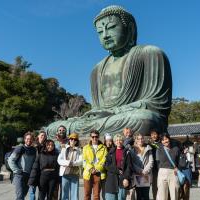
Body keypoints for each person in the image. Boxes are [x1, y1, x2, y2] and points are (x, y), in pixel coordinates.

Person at [46, 5, 172, 137]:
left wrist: (115, 111)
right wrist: (93, 115)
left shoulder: (150, 53)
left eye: (111, 28)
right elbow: (96, 109)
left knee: (144, 119)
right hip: (105, 120)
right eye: (100, 32)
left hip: (131, 117)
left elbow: (158, 104)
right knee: (54, 128)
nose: (105, 35)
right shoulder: (97, 69)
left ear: (130, 29)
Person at [8, 132, 36, 200]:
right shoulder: (20, 148)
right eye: (27, 139)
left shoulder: (34, 150)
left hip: (28, 176)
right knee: (20, 195)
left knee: (23, 194)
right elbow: (10, 160)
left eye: (31, 139)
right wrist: (17, 170)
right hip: (19, 175)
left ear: (33, 140)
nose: (29, 140)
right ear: (24, 139)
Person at [104, 134, 133, 200]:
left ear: (123, 141)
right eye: (116, 140)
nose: (118, 141)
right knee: (110, 198)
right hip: (112, 178)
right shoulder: (111, 152)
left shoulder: (127, 152)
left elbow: (129, 166)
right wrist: (116, 170)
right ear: (114, 142)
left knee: (121, 198)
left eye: (120, 140)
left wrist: (126, 178)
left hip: (122, 178)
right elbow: (106, 165)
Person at [83, 130, 108, 200]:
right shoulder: (85, 148)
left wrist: (96, 169)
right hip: (88, 173)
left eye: (96, 137)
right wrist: (91, 169)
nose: (94, 138)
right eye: (93, 137)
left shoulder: (104, 148)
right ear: (90, 137)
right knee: (87, 194)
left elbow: (104, 160)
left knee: (96, 195)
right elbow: (84, 160)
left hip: (98, 173)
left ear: (98, 137)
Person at [57, 133, 83, 200]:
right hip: (65, 172)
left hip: (75, 173)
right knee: (64, 192)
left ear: (77, 141)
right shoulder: (64, 148)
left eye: (75, 139)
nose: (73, 141)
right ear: (69, 140)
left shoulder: (79, 150)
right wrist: (68, 163)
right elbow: (59, 160)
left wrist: (73, 163)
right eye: (71, 139)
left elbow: (81, 160)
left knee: (74, 193)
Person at [156, 133, 180, 200]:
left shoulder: (176, 149)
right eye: (163, 140)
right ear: (161, 141)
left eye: (166, 139)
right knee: (162, 195)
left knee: (174, 194)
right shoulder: (159, 149)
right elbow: (157, 162)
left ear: (169, 138)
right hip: (162, 172)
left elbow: (179, 161)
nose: (165, 141)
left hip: (173, 172)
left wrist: (177, 168)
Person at [132, 133, 153, 200]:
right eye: (139, 139)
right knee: (139, 195)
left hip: (146, 174)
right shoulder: (132, 149)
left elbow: (151, 161)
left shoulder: (148, 148)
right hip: (137, 174)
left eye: (142, 138)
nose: (140, 140)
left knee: (146, 195)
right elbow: (132, 162)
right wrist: (140, 171)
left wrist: (144, 171)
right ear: (136, 140)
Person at [29, 130, 47, 200]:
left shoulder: (46, 146)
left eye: (44, 136)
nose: (43, 137)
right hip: (33, 170)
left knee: (42, 190)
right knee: (32, 190)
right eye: (42, 135)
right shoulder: (33, 145)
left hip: (42, 171)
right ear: (38, 136)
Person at [53, 125, 69, 200]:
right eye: (60, 130)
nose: (61, 131)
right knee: (55, 189)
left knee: (64, 188)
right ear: (57, 131)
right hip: (55, 167)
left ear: (66, 131)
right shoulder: (54, 142)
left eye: (63, 130)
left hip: (64, 167)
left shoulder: (69, 141)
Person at [149, 129, 161, 200]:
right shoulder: (149, 145)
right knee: (154, 185)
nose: (154, 136)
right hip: (152, 167)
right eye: (152, 134)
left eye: (155, 134)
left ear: (158, 135)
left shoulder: (161, 144)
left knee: (161, 185)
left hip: (160, 166)